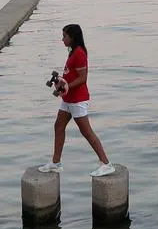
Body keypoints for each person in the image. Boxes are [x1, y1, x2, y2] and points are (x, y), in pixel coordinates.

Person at [38, 24, 115, 177]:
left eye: (64, 36)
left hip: (78, 100)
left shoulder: (79, 53)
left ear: (72, 37)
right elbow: (70, 75)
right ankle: (56, 162)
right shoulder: (72, 52)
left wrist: (66, 86)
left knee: (86, 131)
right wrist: (61, 82)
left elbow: (83, 78)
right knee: (58, 126)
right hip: (68, 99)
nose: (62, 39)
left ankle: (106, 163)